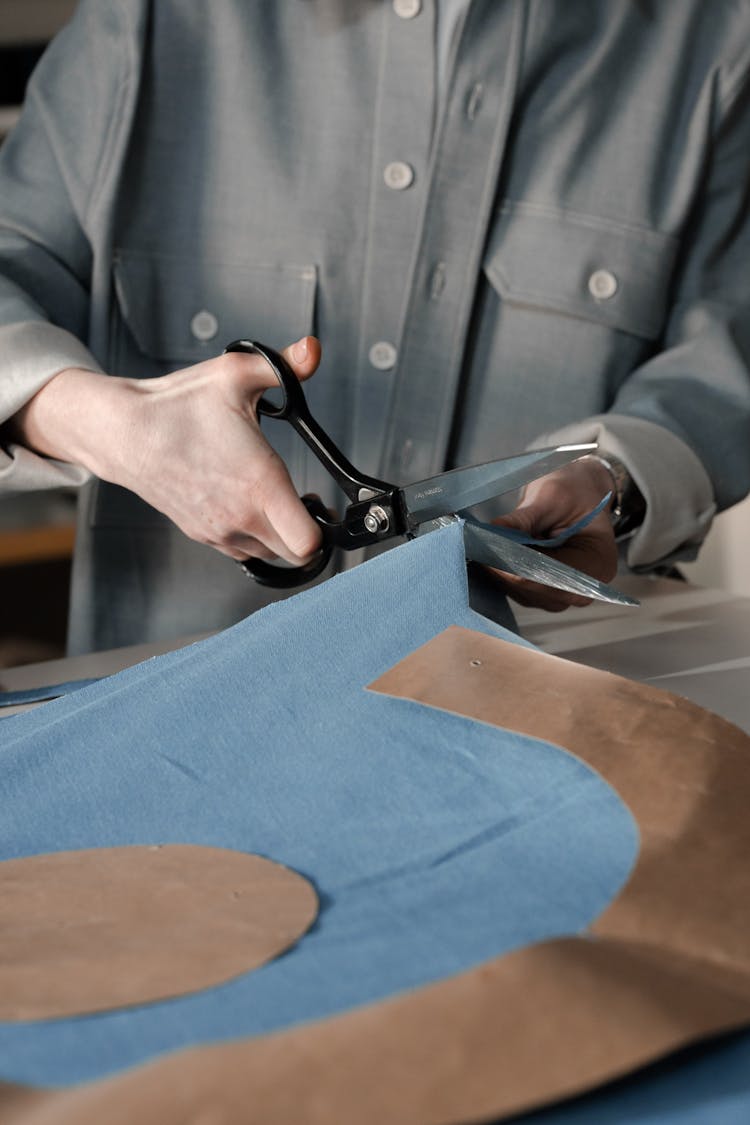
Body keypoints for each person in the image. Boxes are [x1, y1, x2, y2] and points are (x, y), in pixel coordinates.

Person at [0, 0, 748, 653]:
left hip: (553, 725)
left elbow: (724, 359)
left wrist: (613, 477)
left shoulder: (715, 41)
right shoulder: (149, 16)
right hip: (161, 721)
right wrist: (102, 422)